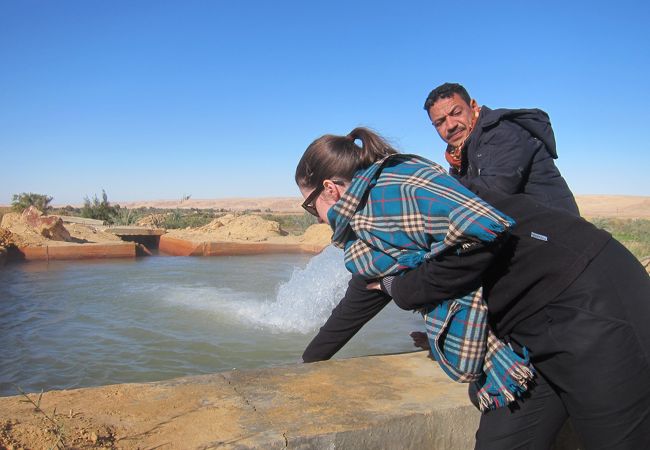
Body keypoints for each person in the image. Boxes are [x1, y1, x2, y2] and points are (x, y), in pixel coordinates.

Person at [296, 127, 650, 449]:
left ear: (331, 189)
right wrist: (307, 364)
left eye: (310, 207)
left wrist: (401, 290)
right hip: (521, 335)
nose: (316, 218)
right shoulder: (376, 233)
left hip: (588, 297)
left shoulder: (396, 192)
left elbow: (479, 240)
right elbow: (365, 296)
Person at [423, 82, 580, 215]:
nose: (450, 125)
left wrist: (432, 192)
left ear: (473, 106)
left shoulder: (502, 132)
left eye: (456, 113)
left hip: (557, 236)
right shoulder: (460, 155)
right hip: (529, 234)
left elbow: (493, 193)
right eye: (440, 122)